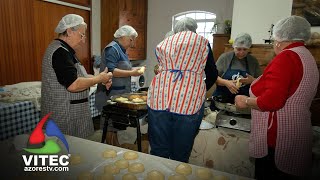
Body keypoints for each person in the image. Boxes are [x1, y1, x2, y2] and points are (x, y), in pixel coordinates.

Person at [235, 16, 319, 179]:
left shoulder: (285, 57)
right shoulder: (306, 56)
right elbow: (291, 85)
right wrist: (256, 81)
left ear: (279, 40)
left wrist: (245, 101)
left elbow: (271, 101)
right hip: (298, 131)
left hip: (277, 137)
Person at [147, 17, 218, 162]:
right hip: (189, 100)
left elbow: (161, 68)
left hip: (160, 98)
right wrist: (200, 88)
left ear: (176, 29)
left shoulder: (165, 42)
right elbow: (212, 73)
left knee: (159, 148)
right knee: (180, 152)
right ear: (194, 29)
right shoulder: (202, 42)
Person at [41, 14, 113, 138]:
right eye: (82, 35)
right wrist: (100, 78)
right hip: (65, 114)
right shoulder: (60, 52)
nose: (83, 40)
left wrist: (99, 78)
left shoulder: (65, 50)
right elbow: (73, 85)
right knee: (68, 152)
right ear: (69, 31)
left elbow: (77, 75)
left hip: (73, 112)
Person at [95, 25, 144, 146]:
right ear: (123, 37)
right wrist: (132, 72)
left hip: (118, 92)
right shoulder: (112, 49)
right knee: (110, 124)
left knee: (115, 126)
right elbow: (111, 71)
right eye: (131, 39)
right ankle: (110, 149)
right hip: (110, 93)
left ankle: (115, 148)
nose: (133, 42)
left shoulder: (121, 50)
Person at [211, 33, 261, 109]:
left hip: (242, 104)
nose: (241, 52)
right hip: (221, 102)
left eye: (245, 49)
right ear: (234, 47)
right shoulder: (225, 58)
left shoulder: (253, 61)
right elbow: (213, 77)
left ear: (249, 49)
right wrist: (226, 83)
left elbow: (261, 81)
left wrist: (252, 80)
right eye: (238, 49)